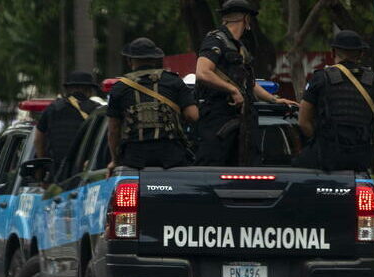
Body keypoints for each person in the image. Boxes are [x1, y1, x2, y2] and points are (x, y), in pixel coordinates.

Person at [195, 0, 296, 166]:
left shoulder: (240, 48)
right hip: (218, 117)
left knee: (248, 164)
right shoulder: (215, 40)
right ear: (246, 19)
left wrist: (274, 100)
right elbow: (202, 72)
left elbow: (249, 83)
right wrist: (232, 90)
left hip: (243, 119)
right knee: (213, 165)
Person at [292, 30, 374, 172]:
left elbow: (303, 122)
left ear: (333, 52)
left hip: (326, 156)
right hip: (360, 158)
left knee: (295, 168)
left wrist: (321, 141)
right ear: (361, 53)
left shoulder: (320, 78)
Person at [106, 38, 199, 172]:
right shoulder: (174, 82)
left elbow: (113, 129)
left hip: (134, 157)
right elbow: (193, 115)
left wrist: (115, 160)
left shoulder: (120, 88)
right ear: (155, 59)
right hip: (171, 155)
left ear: (129, 60)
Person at [34, 71, 101, 170]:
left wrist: (41, 167)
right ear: (89, 90)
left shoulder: (53, 109)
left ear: (68, 89)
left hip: (58, 173)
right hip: (88, 171)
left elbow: (38, 139)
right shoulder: (98, 110)